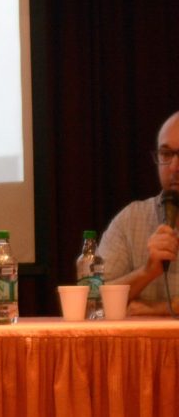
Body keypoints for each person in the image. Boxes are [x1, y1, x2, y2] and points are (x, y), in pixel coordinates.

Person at [99, 111, 179, 315]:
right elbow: (94, 302)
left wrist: (157, 309)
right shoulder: (131, 219)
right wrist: (147, 272)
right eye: (166, 154)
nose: (174, 167)